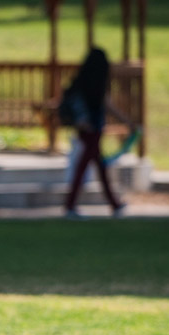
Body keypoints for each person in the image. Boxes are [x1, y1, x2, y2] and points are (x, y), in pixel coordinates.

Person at [62, 47, 129, 218]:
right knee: (84, 167)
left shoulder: (89, 82)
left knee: (99, 167)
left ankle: (115, 204)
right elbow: (83, 104)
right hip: (89, 130)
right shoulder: (87, 84)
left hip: (93, 130)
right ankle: (71, 205)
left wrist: (128, 122)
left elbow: (107, 105)